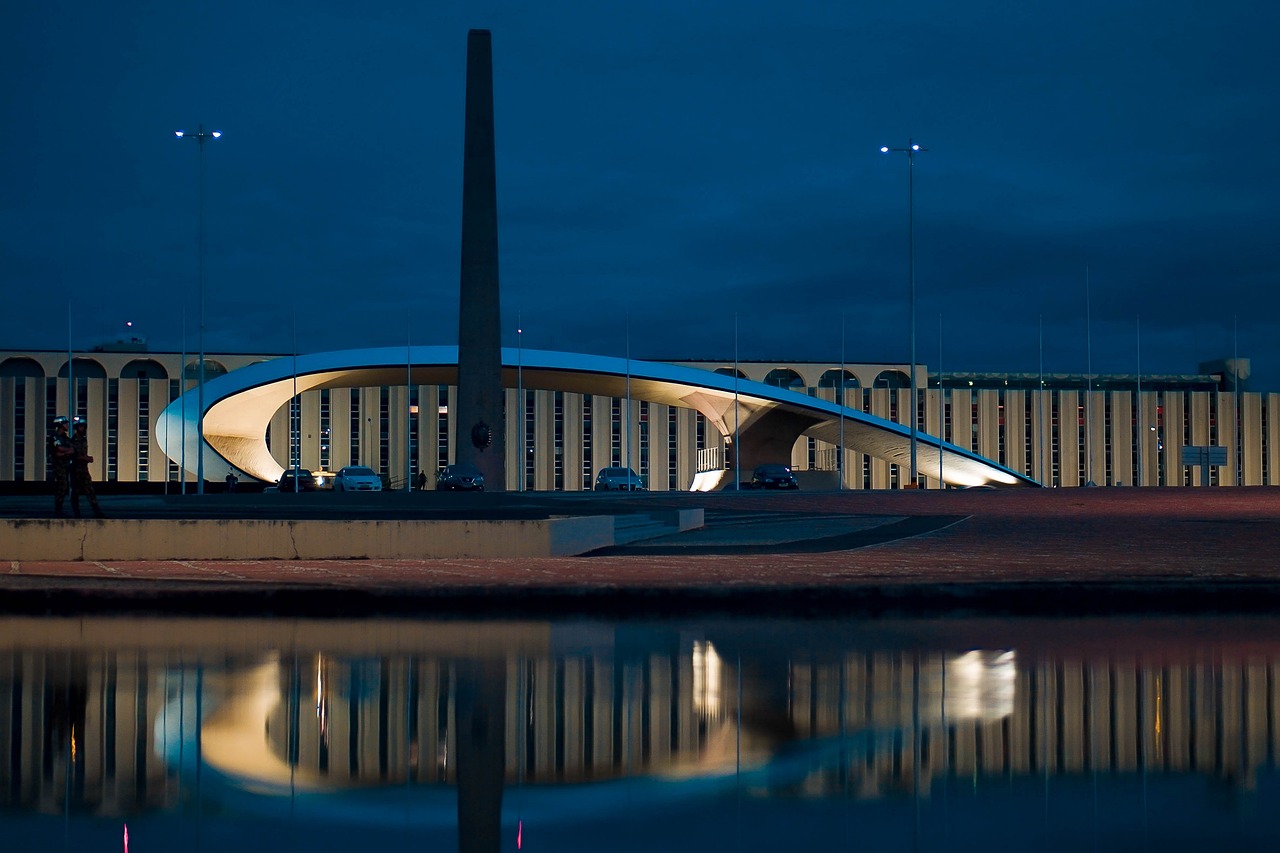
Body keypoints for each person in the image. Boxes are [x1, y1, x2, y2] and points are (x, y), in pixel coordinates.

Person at [69, 417, 104, 518]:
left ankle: (97, 511)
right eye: (81, 427)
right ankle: (76, 513)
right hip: (75, 470)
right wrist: (86, 458)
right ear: (77, 428)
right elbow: (72, 455)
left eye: (84, 427)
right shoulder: (72, 441)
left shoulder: (84, 440)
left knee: (90, 490)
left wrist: (86, 458)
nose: (83, 429)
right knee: (75, 492)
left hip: (84, 470)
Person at [47, 416, 74, 516]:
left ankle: (60, 508)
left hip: (66, 465)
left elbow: (71, 450)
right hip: (58, 465)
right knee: (62, 486)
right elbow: (59, 449)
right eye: (65, 423)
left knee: (65, 486)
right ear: (60, 425)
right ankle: (58, 509)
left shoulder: (66, 438)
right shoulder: (54, 436)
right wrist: (66, 451)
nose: (67, 425)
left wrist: (65, 452)